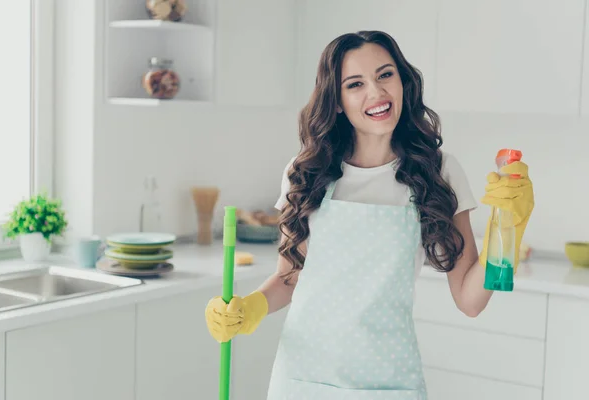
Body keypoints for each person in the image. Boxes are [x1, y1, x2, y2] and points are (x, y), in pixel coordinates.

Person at [205, 30, 534, 399]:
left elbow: (470, 301)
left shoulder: (437, 172)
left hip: (390, 382)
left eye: (385, 75)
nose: (376, 93)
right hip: (303, 377)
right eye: (355, 84)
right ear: (337, 102)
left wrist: (509, 226)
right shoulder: (308, 171)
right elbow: (289, 278)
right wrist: (249, 308)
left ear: (403, 82)